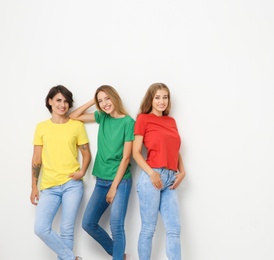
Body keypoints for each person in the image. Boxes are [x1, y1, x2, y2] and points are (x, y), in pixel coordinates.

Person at [69, 85, 135, 260]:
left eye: (107, 98)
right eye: (101, 101)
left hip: (120, 182)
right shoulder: (102, 117)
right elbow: (73, 116)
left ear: (115, 97)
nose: (105, 103)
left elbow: (127, 158)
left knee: (116, 226)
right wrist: (94, 100)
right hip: (101, 180)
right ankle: (119, 255)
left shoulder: (128, 122)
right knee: (88, 223)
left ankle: (118, 257)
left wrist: (114, 187)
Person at [30, 85, 91, 260]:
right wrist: (34, 187)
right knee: (41, 228)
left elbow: (86, 153)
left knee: (67, 230)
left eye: (65, 101)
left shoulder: (76, 126)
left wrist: (82, 172)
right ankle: (72, 258)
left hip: (72, 185)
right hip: (49, 186)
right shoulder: (41, 127)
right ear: (50, 101)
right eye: (58, 100)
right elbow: (36, 159)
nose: (62, 105)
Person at [132, 83, 186, 260]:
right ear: (151, 99)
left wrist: (182, 171)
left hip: (170, 179)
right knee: (148, 228)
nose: (162, 101)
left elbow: (174, 149)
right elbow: (136, 152)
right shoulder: (143, 119)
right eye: (157, 97)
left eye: (165, 97)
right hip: (152, 177)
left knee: (174, 229)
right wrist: (151, 173)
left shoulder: (171, 121)